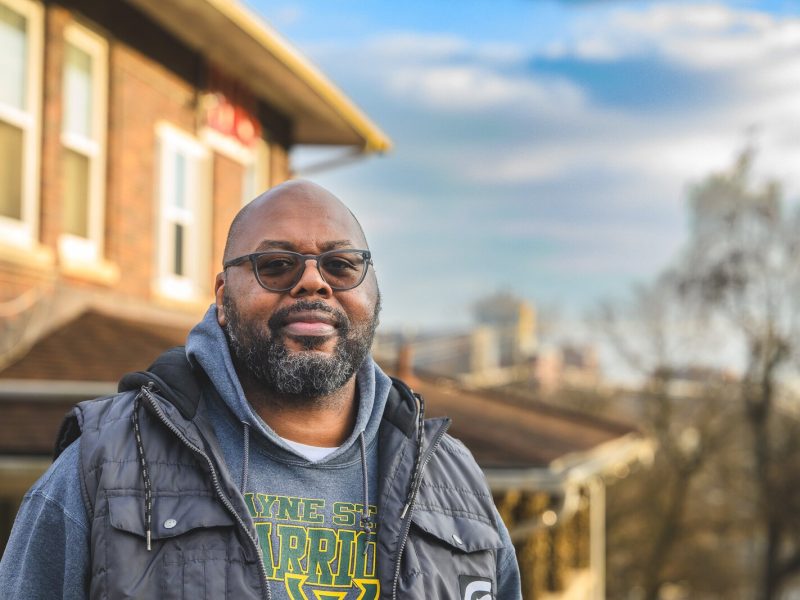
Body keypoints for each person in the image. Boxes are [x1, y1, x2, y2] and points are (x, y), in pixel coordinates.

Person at [0, 180, 521, 599]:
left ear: (373, 290)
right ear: (222, 299)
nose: (314, 283)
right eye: (276, 265)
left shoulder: (455, 483)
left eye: (341, 265)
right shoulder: (105, 463)